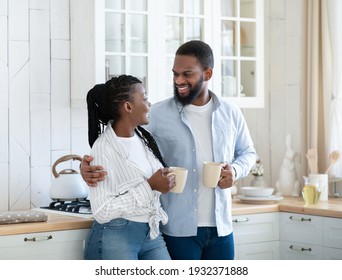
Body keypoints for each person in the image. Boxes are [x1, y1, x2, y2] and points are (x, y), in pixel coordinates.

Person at [81, 41, 256, 260]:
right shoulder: (156, 113)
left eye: (187, 74)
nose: (179, 81)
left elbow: (248, 152)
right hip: (177, 229)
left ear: (208, 73)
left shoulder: (230, 112)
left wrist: (235, 172)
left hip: (222, 228)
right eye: (175, 74)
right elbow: (118, 139)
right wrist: (86, 165)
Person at [83, 74, 176, 260]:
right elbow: (102, 211)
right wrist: (150, 187)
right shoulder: (104, 147)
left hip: (151, 233)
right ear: (128, 106)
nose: (149, 104)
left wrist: (163, 181)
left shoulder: (144, 140)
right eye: (145, 98)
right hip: (116, 234)